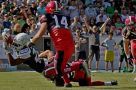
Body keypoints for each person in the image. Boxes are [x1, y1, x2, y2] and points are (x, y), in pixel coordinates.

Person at [2, 32, 118, 87]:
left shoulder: (25, 51)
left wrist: (7, 48)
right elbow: (20, 47)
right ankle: (78, 66)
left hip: (47, 69)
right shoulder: (28, 47)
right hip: (47, 68)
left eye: (17, 41)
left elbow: (12, 62)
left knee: (63, 68)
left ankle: (79, 64)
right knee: (62, 69)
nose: (15, 42)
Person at [27, 0, 79, 87]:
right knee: (60, 67)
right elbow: (67, 30)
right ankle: (67, 82)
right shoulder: (65, 17)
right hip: (70, 45)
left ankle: (67, 77)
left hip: (61, 46)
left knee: (57, 69)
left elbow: (41, 32)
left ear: (49, 8)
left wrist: (31, 42)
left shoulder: (47, 16)